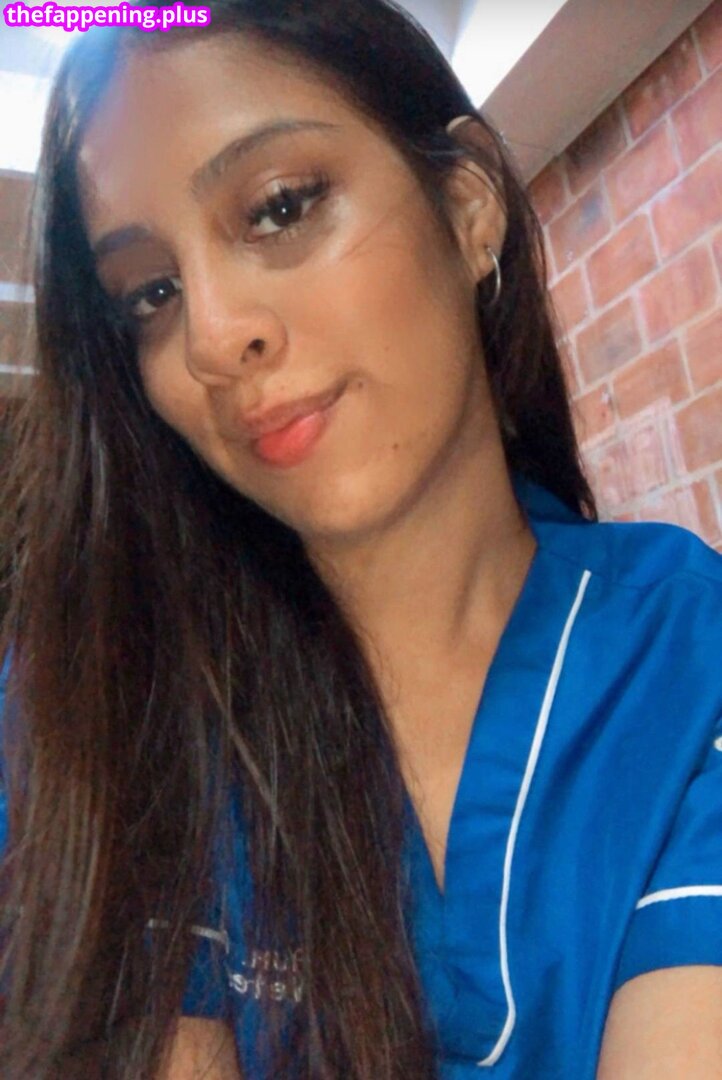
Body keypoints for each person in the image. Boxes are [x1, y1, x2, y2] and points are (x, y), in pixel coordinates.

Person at [0, 1, 721, 1076]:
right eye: (150, 293)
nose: (213, 337)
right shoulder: (93, 715)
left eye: (280, 207)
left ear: (468, 208)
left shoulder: (686, 656)